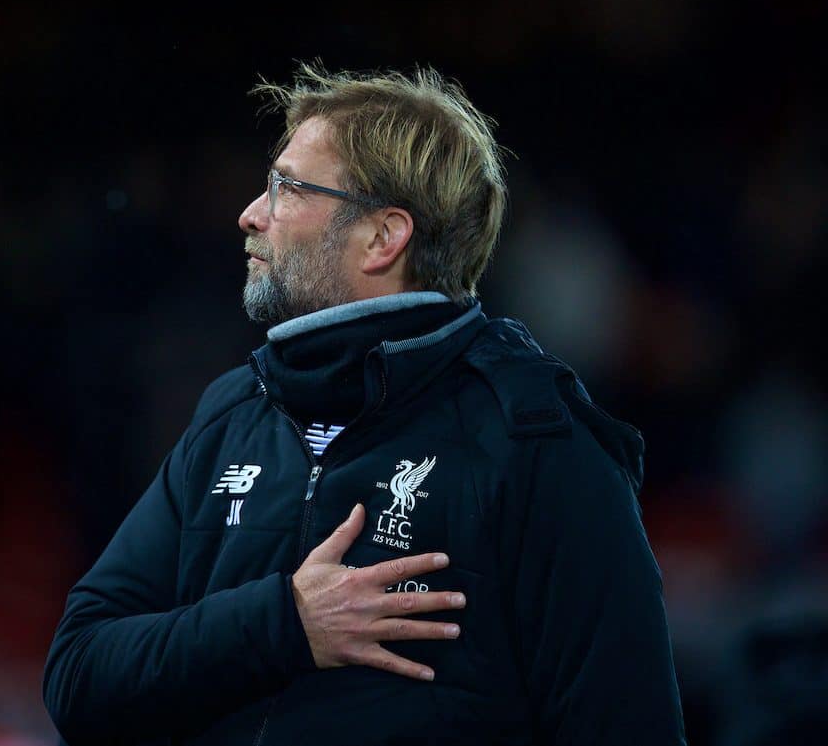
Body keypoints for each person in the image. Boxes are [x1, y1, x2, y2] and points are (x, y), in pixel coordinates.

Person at [42, 63, 687, 746]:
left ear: (383, 237)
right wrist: (286, 622)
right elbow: (79, 675)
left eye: (286, 188)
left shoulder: (534, 438)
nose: (251, 214)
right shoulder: (236, 413)